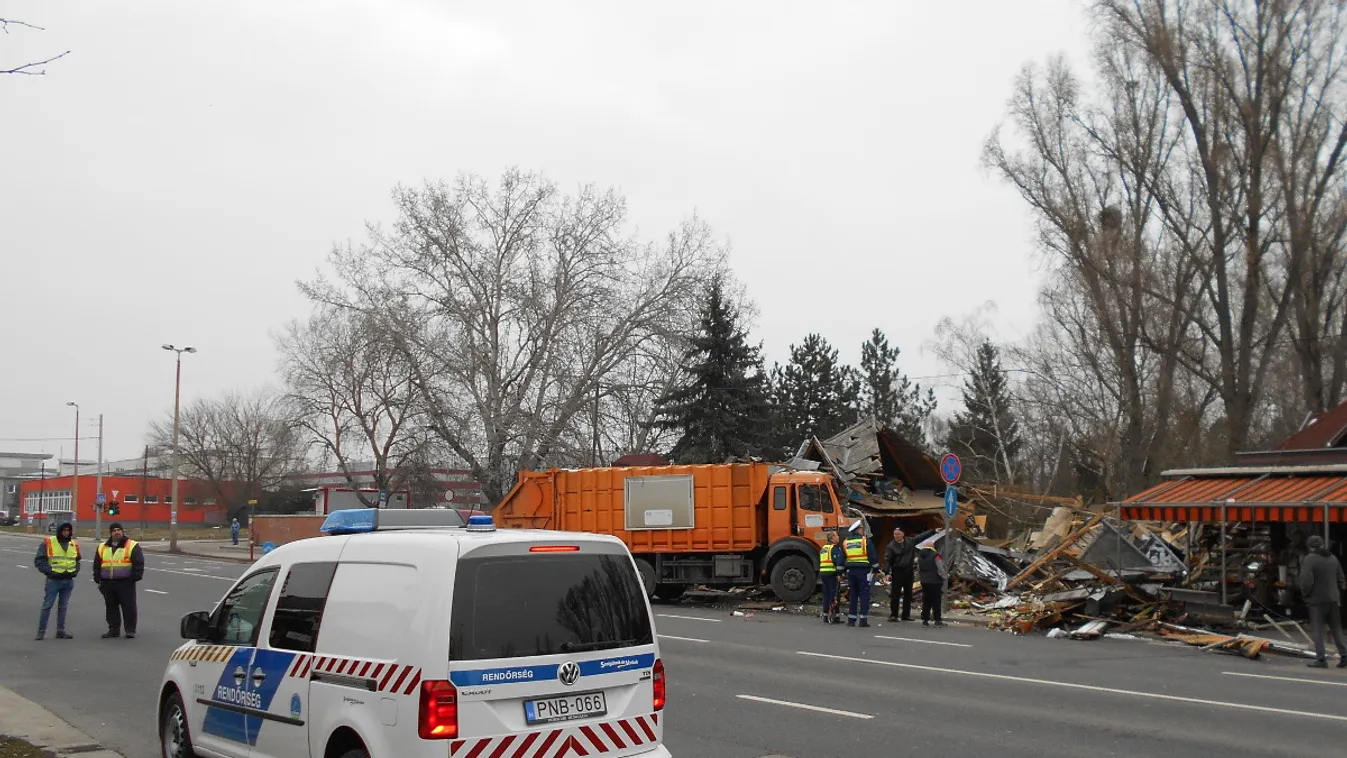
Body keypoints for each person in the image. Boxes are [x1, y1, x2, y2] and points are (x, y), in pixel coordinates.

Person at [1299, 535, 1346, 668]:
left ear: (1309, 546)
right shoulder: (1333, 558)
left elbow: (1306, 581)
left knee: (1317, 630)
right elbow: (1341, 579)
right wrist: (1337, 594)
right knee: (1336, 629)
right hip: (1333, 599)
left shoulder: (1310, 559)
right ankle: (1344, 655)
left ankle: (1321, 659)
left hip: (1317, 599)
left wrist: (1305, 594)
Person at [93, 523, 144, 639]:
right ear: (111, 533)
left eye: (119, 530)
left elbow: (138, 563)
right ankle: (113, 629)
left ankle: (130, 630)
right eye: (114, 530)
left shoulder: (132, 545)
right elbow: (97, 564)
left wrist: (133, 579)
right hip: (107, 582)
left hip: (125, 582)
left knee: (128, 606)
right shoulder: (102, 547)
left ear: (123, 531)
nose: (117, 532)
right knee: (111, 607)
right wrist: (98, 578)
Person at [34, 521, 80, 640]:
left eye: (68, 530)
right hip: (53, 580)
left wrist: (75, 571)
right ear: (59, 530)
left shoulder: (73, 544)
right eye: (63, 530)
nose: (66, 532)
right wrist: (50, 572)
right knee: (47, 605)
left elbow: (77, 560)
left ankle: (60, 630)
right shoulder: (49, 542)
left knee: (63, 606)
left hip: (68, 580)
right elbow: (39, 560)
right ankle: (41, 631)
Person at [885, 526, 935, 622]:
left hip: (908, 571)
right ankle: (894, 615)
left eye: (898, 534)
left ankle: (905, 615)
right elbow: (888, 560)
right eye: (895, 534)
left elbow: (921, 537)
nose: (896, 536)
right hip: (897, 572)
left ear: (903, 534)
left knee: (908, 594)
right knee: (895, 594)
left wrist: (933, 531)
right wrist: (887, 572)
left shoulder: (910, 541)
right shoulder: (891, 546)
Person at [842, 520, 878, 628]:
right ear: (858, 530)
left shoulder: (846, 542)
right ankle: (863, 620)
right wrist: (876, 568)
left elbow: (841, 558)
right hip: (863, 571)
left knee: (853, 595)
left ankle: (851, 620)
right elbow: (872, 556)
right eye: (862, 528)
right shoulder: (865, 541)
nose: (863, 530)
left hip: (851, 572)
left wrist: (840, 572)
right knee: (864, 595)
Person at [917, 540, 947, 628]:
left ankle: (925, 620)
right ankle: (937, 620)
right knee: (936, 601)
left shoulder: (920, 555)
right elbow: (940, 569)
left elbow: (919, 569)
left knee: (926, 600)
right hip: (935, 581)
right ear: (932, 546)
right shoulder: (936, 556)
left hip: (924, 581)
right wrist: (945, 577)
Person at [818, 531, 845, 624]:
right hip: (831, 574)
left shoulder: (824, 548)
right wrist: (840, 574)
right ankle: (835, 617)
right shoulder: (834, 548)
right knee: (834, 596)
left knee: (827, 595)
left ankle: (825, 615)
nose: (838, 537)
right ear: (832, 538)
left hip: (823, 574)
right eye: (837, 536)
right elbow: (838, 562)